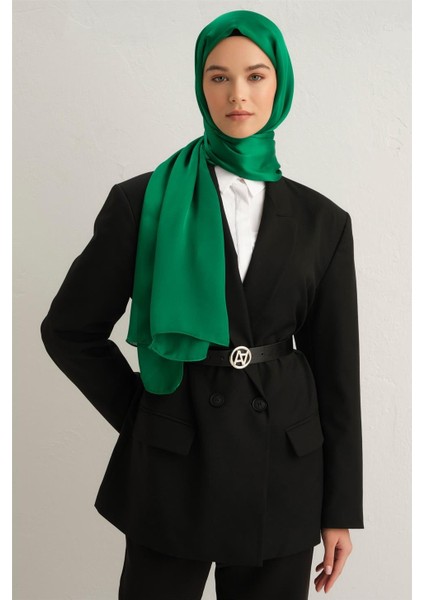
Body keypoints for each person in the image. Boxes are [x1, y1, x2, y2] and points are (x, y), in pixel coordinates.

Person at [40, 9, 364, 600]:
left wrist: (340, 508)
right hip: (173, 461)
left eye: (256, 76)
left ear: (281, 84)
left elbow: (337, 372)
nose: (238, 94)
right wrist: (143, 413)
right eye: (219, 77)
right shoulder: (143, 201)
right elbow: (68, 329)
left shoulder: (324, 221)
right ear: (200, 85)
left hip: (284, 472)